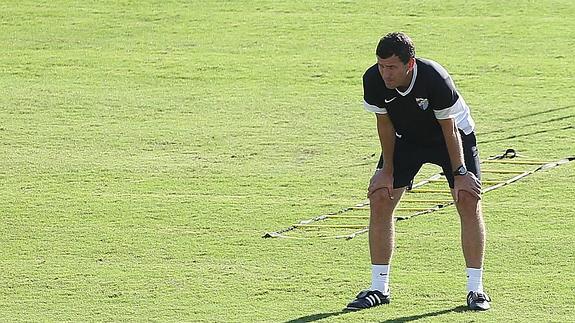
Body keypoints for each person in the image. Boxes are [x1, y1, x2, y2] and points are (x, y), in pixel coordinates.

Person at [346, 32, 491, 311]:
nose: (385, 74)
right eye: (381, 65)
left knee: (467, 199)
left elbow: (449, 129)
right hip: (408, 138)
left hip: (452, 136)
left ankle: (476, 291)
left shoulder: (434, 78)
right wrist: (386, 170)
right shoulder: (373, 80)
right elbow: (385, 124)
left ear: (409, 64)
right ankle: (379, 288)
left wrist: (460, 173)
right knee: (380, 196)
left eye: (392, 67)